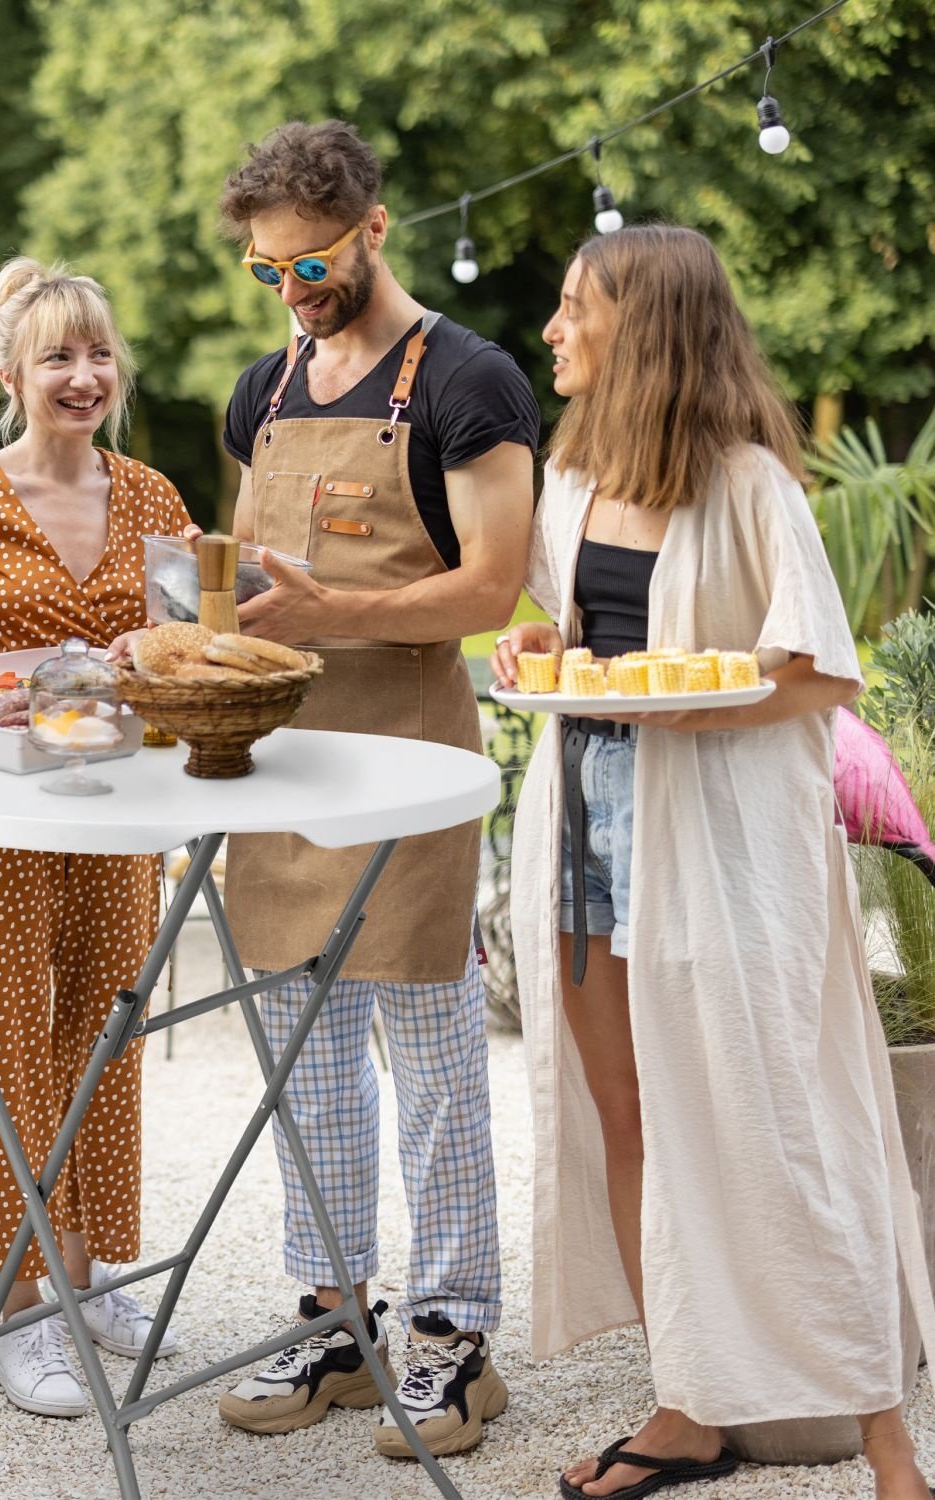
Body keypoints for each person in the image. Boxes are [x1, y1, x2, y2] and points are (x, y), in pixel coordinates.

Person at [493, 223, 935, 1500]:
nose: (554, 330)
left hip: (725, 839)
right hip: (584, 824)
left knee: (778, 1115)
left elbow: (823, 675)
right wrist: (541, 649)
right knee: (628, 1115)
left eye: (575, 308)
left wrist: (687, 703)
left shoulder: (750, 484)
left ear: (641, 325)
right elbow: (565, 631)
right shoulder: (572, 478)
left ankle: (887, 1441)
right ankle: (683, 1406)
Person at [211, 120, 538, 1459]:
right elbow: (252, 576)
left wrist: (331, 611)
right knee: (305, 1065)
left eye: (315, 264)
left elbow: (492, 588)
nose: (293, 291)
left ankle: (454, 1338)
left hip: (408, 767)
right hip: (283, 766)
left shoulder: (471, 380)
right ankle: (337, 1321)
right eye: (269, 270)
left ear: (376, 228)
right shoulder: (264, 391)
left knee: (436, 1063)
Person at [0, 257, 193, 1418]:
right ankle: (20, 1304)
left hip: (119, 807)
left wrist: (160, 650)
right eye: (57, 355)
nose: (83, 375)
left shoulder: (153, 497)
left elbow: (181, 648)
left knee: (108, 1031)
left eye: (99, 352)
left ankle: (86, 1271)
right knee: (0, 1039)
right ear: (11, 373)